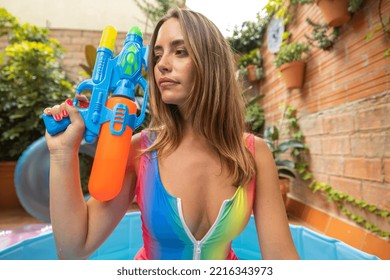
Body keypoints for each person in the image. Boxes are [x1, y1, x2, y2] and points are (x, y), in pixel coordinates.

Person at [43, 7, 299, 260]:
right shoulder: (140, 151)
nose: (162, 65)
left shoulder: (254, 154)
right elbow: (75, 248)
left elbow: (282, 260)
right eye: (157, 54)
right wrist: (62, 154)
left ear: (212, 64)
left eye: (180, 52)